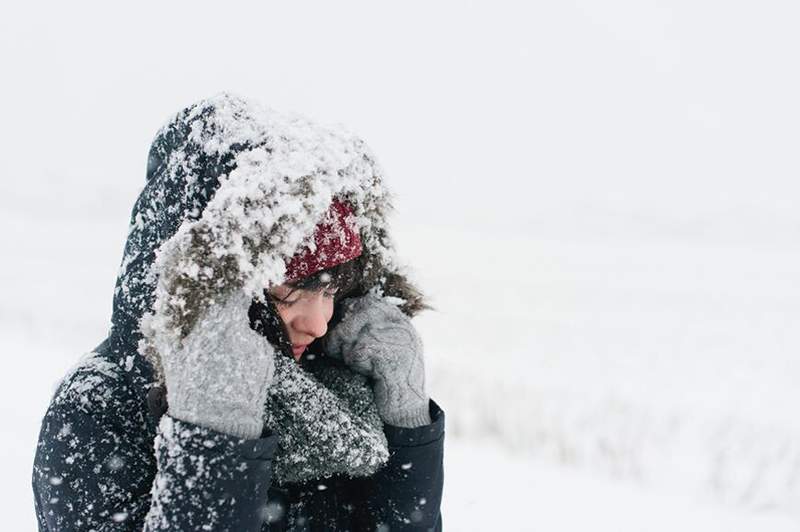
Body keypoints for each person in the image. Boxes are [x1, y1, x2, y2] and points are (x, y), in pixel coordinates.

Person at [31, 93, 445, 531]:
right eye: (293, 288)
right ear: (220, 281)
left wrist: (406, 418)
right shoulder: (101, 407)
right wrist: (214, 436)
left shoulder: (341, 388)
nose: (320, 322)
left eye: (333, 289)